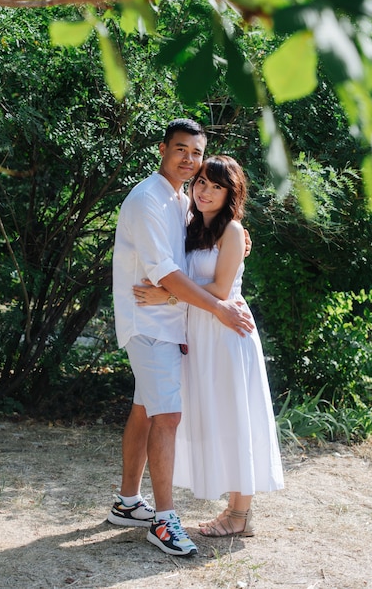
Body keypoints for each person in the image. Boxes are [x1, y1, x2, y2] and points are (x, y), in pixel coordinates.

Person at [108, 119, 254, 557]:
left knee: (145, 408)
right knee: (168, 416)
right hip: (149, 324)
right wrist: (218, 307)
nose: (189, 159)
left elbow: (208, 241)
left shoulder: (182, 199)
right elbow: (168, 275)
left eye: (196, 152)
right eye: (181, 150)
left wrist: (236, 234)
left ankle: (128, 503)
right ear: (162, 149)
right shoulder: (148, 199)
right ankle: (164, 520)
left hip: (170, 323)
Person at [134, 155, 284, 538]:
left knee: (236, 417)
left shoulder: (231, 231)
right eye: (201, 182)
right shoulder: (193, 226)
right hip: (200, 332)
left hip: (226, 331)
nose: (205, 191)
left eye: (217, 186)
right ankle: (233, 510)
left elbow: (219, 290)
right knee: (217, 418)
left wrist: (165, 295)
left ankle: (241, 515)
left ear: (231, 193)